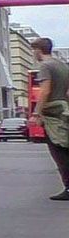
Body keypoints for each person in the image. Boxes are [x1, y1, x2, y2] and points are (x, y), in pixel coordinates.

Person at [29, 39, 69, 200]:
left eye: (33, 50)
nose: (33, 54)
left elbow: (45, 91)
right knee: (66, 147)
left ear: (39, 50)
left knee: (58, 150)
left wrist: (37, 113)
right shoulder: (63, 66)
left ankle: (68, 187)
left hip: (52, 114)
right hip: (64, 111)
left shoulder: (45, 66)